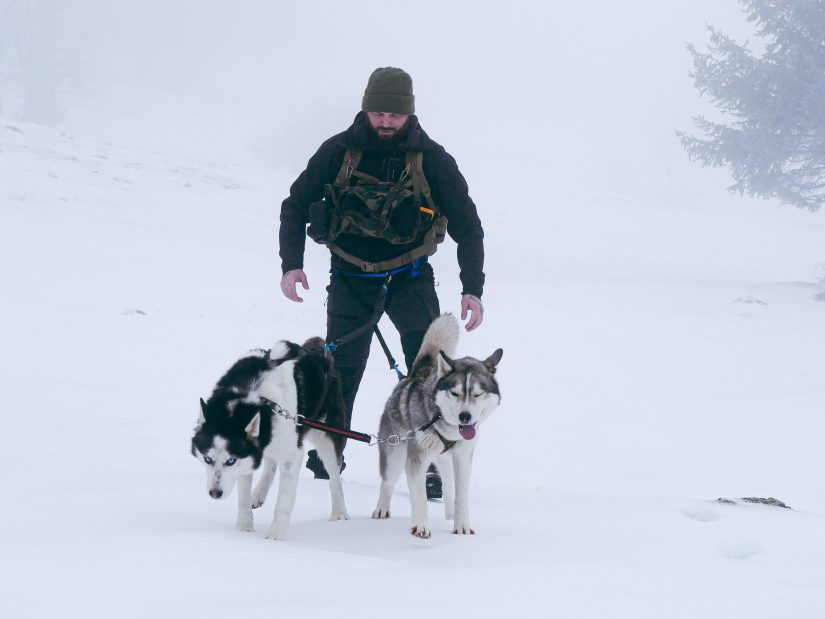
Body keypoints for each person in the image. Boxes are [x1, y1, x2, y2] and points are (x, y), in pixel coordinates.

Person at [278, 67, 485, 497]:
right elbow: (295, 204)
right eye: (378, 113)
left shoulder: (432, 159)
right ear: (365, 108)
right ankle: (328, 454)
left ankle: (432, 460)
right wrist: (291, 264)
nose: (386, 122)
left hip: (410, 276)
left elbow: (468, 225)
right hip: (349, 276)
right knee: (342, 368)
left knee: (430, 370)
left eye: (395, 115)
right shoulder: (339, 152)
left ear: (409, 113)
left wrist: (472, 288)